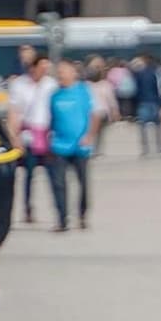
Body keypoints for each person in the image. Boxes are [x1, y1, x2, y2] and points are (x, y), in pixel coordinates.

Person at [48, 59, 100, 231]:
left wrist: (90, 135)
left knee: (83, 183)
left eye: (64, 71)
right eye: (59, 72)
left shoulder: (84, 92)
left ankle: (82, 214)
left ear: (73, 73)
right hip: (59, 145)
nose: (61, 75)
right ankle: (62, 219)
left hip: (80, 145)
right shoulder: (54, 96)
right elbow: (51, 119)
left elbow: (94, 115)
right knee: (59, 184)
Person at [6, 54, 56, 226]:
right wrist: (14, 137)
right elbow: (14, 111)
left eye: (46, 68)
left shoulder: (51, 85)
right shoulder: (20, 84)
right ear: (33, 68)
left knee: (54, 175)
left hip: (48, 134)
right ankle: (28, 209)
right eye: (41, 67)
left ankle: (59, 211)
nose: (44, 71)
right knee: (29, 174)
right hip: (28, 134)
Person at [133, 54, 161, 155]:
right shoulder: (153, 73)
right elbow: (156, 89)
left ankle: (145, 148)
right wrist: (160, 103)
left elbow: (136, 90)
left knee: (143, 126)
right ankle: (160, 146)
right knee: (157, 126)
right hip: (153, 101)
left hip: (143, 102)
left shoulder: (138, 74)